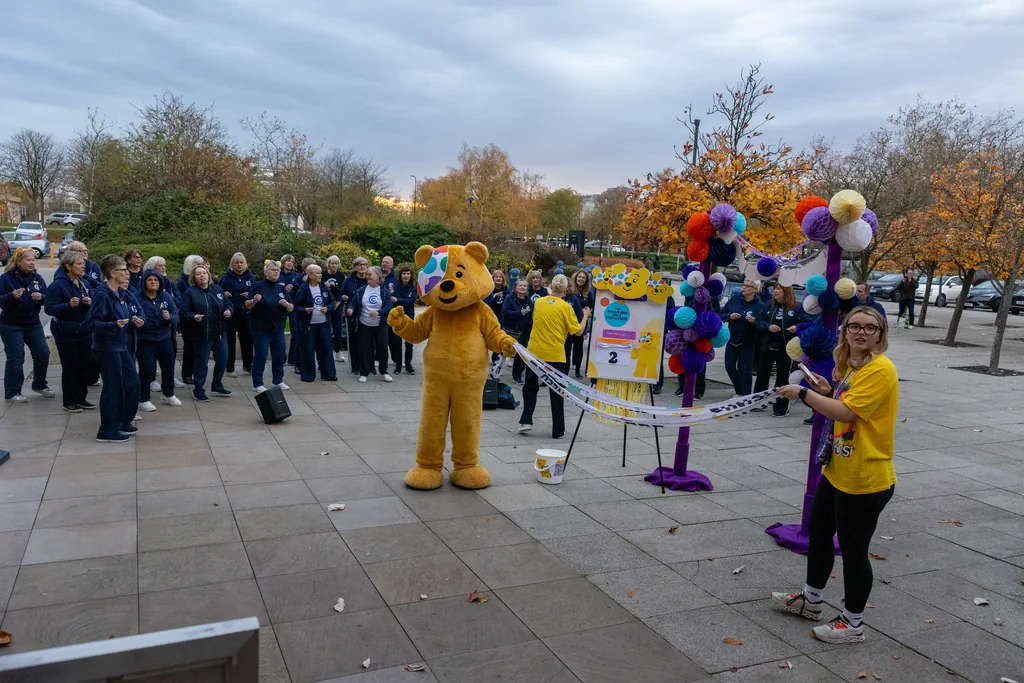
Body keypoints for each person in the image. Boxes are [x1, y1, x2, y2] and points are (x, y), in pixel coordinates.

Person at [772, 305, 897, 644]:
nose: (860, 332)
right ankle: (811, 601)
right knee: (819, 531)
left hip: (865, 477)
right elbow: (844, 401)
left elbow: (847, 411)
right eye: (854, 326)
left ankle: (853, 623)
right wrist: (829, 390)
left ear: (880, 335)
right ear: (845, 332)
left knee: (854, 550)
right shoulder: (858, 367)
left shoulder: (880, 369)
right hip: (839, 468)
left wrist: (804, 393)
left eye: (870, 328)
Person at [518, 274, 589, 438]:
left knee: (530, 386)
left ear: (550, 287)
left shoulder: (538, 302)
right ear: (565, 289)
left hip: (534, 351)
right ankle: (558, 429)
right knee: (557, 391)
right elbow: (577, 331)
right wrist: (585, 316)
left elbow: (530, 321)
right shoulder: (565, 307)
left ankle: (525, 420)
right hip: (556, 353)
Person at [87, 255, 142, 442]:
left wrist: (135, 321)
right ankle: (107, 431)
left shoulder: (121, 293)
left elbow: (130, 313)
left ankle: (123, 421)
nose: (127, 273)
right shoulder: (102, 294)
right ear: (112, 273)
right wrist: (113, 325)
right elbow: (92, 323)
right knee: (113, 388)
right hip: (106, 348)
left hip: (121, 345)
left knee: (133, 382)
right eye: (123, 270)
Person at [45, 250, 96, 412]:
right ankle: (69, 400)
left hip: (83, 330)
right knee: (71, 366)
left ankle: (81, 398)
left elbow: (93, 306)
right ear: (68, 266)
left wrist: (90, 302)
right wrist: (68, 305)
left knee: (85, 364)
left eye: (83, 264)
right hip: (65, 331)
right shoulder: (57, 285)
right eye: (79, 264)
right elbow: (49, 308)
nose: (83, 267)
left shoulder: (84, 284)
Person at [0, 249, 52, 403]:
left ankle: (39, 384)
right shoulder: (6, 279)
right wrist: (11, 296)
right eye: (28, 260)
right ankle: (13, 392)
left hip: (33, 323)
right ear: (18, 262)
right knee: (16, 358)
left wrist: (41, 297)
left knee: (42, 353)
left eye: (33, 260)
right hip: (11, 324)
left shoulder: (37, 278)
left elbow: (48, 297)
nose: (31, 263)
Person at [179, 263, 233, 402]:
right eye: (198, 274)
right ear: (194, 278)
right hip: (202, 334)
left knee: (223, 359)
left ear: (209, 275)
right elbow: (183, 311)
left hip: (219, 332)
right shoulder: (190, 292)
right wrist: (193, 316)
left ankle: (217, 384)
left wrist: (229, 310)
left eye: (204, 273)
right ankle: (199, 390)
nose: (202, 275)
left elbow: (228, 304)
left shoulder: (217, 289)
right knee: (201, 363)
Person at [754, 284, 802, 417]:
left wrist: (796, 327)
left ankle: (780, 407)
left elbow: (807, 322)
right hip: (767, 345)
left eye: (779, 289)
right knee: (762, 374)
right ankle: (758, 403)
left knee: (782, 378)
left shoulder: (797, 307)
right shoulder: (769, 305)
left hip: (786, 348)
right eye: (775, 288)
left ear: (786, 292)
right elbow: (759, 321)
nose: (775, 291)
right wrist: (768, 327)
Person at [246, 260, 293, 393]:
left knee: (279, 354)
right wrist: (254, 300)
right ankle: (257, 383)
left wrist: (287, 305)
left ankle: (278, 380)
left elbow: (291, 307)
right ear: (266, 272)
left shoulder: (281, 288)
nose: (276, 272)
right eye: (273, 270)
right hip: (261, 327)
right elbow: (247, 305)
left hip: (278, 327)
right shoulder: (258, 286)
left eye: (278, 270)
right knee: (261, 355)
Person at [136, 269, 180, 411]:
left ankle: (168, 393)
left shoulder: (166, 296)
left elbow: (176, 315)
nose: (153, 282)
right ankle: (143, 398)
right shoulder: (137, 297)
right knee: (147, 369)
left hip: (164, 337)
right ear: (144, 283)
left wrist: (170, 318)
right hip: (145, 339)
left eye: (156, 280)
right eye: (150, 280)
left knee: (168, 366)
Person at [346, 267, 392, 383]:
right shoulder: (361, 290)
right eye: (367, 275)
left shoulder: (384, 291)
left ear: (377, 276)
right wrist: (350, 309)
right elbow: (353, 301)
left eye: (370, 274)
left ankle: (384, 371)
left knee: (382, 348)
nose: (367, 276)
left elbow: (388, 307)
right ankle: (364, 372)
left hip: (380, 325)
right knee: (364, 349)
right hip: (364, 325)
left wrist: (378, 312)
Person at [293, 263, 337, 382]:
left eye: (320, 272)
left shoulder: (324, 287)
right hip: (309, 325)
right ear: (310, 275)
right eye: (317, 273)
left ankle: (328, 373)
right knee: (308, 349)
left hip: (323, 323)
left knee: (326, 349)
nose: (320, 275)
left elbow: (332, 302)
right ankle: (308, 375)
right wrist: (304, 310)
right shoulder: (303, 289)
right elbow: (295, 305)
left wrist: (327, 308)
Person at [721, 279, 764, 397]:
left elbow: (763, 324)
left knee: (746, 370)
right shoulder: (734, 300)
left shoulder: (759, 306)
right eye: (743, 285)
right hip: (732, 339)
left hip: (748, 341)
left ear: (755, 290)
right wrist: (730, 316)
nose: (744, 288)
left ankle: (745, 395)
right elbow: (721, 314)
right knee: (729, 367)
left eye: (748, 286)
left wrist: (755, 322)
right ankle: (739, 390)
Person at [219, 253, 255, 377]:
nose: (239, 265)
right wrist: (224, 294)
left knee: (247, 340)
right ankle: (230, 367)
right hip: (231, 314)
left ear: (245, 264)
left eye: (241, 262)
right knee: (230, 341)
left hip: (246, 313)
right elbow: (218, 293)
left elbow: (256, 293)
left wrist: (249, 295)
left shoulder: (250, 277)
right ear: (232, 264)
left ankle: (248, 365)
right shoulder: (226, 278)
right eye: (237, 262)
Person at [177, 255, 205, 385]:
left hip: (202, 319)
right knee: (190, 347)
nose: (200, 266)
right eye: (197, 264)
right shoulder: (183, 281)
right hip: (189, 319)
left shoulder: (204, 280)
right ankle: (187, 373)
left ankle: (196, 371)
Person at [341, 257, 369, 374]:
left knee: (366, 341)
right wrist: (343, 297)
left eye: (364, 264)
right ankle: (355, 367)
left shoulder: (370, 278)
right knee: (353, 341)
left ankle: (367, 365)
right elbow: (341, 293)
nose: (362, 267)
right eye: (359, 265)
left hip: (367, 313)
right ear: (355, 267)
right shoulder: (349, 280)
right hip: (352, 314)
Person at [502, 280, 533, 385]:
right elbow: (505, 312)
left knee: (520, 355)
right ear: (515, 288)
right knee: (502, 352)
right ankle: (495, 373)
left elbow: (532, 314)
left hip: (523, 331)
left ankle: (517, 377)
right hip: (508, 330)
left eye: (525, 286)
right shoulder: (509, 298)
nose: (522, 287)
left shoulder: (529, 301)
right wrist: (520, 313)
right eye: (520, 285)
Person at [565, 269, 593, 379]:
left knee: (578, 348)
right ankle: (565, 370)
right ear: (575, 278)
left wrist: (587, 312)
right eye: (579, 277)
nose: (581, 279)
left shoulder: (588, 294)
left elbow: (591, 306)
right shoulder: (570, 292)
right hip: (569, 323)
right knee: (567, 348)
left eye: (583, 278)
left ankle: (577, 369)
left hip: (581, 323)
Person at [393, 266, 417, 374]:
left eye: (408, 274)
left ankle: (408, 365)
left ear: (411, 276)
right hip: (398, 318)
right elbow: (394, 301)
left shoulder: (414, 288)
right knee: (397, 343)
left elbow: (411, 302)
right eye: (404, 273)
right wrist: (400, 300)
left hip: (409, 318)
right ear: (400, 275)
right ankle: (398, 365)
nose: (406, 276)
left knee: (409, 343)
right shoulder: (396, 286)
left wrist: (398, 300)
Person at [279, 254, 302, 368]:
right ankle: (281, 357)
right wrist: (283, 288)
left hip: (293, 306)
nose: (290, 263)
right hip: (280, 307)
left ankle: (293, 358)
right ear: (283, 263)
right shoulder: (278, 275)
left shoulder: (297, 276)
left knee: (296, 333)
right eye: (287, 261)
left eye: (292, 261)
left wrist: (293, 287)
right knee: (279, 332)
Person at [323, 255, 347, 363]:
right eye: (332, 263)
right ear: (328, 264)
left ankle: (338, 351)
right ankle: (326, 351)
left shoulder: (341, 275)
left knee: (337, 327)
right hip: (326, 303)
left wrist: (331, 286)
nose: (334, 265)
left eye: (336, 263)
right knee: (326, 327)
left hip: (337, 303)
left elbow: (342, 290)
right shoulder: (323, 274)